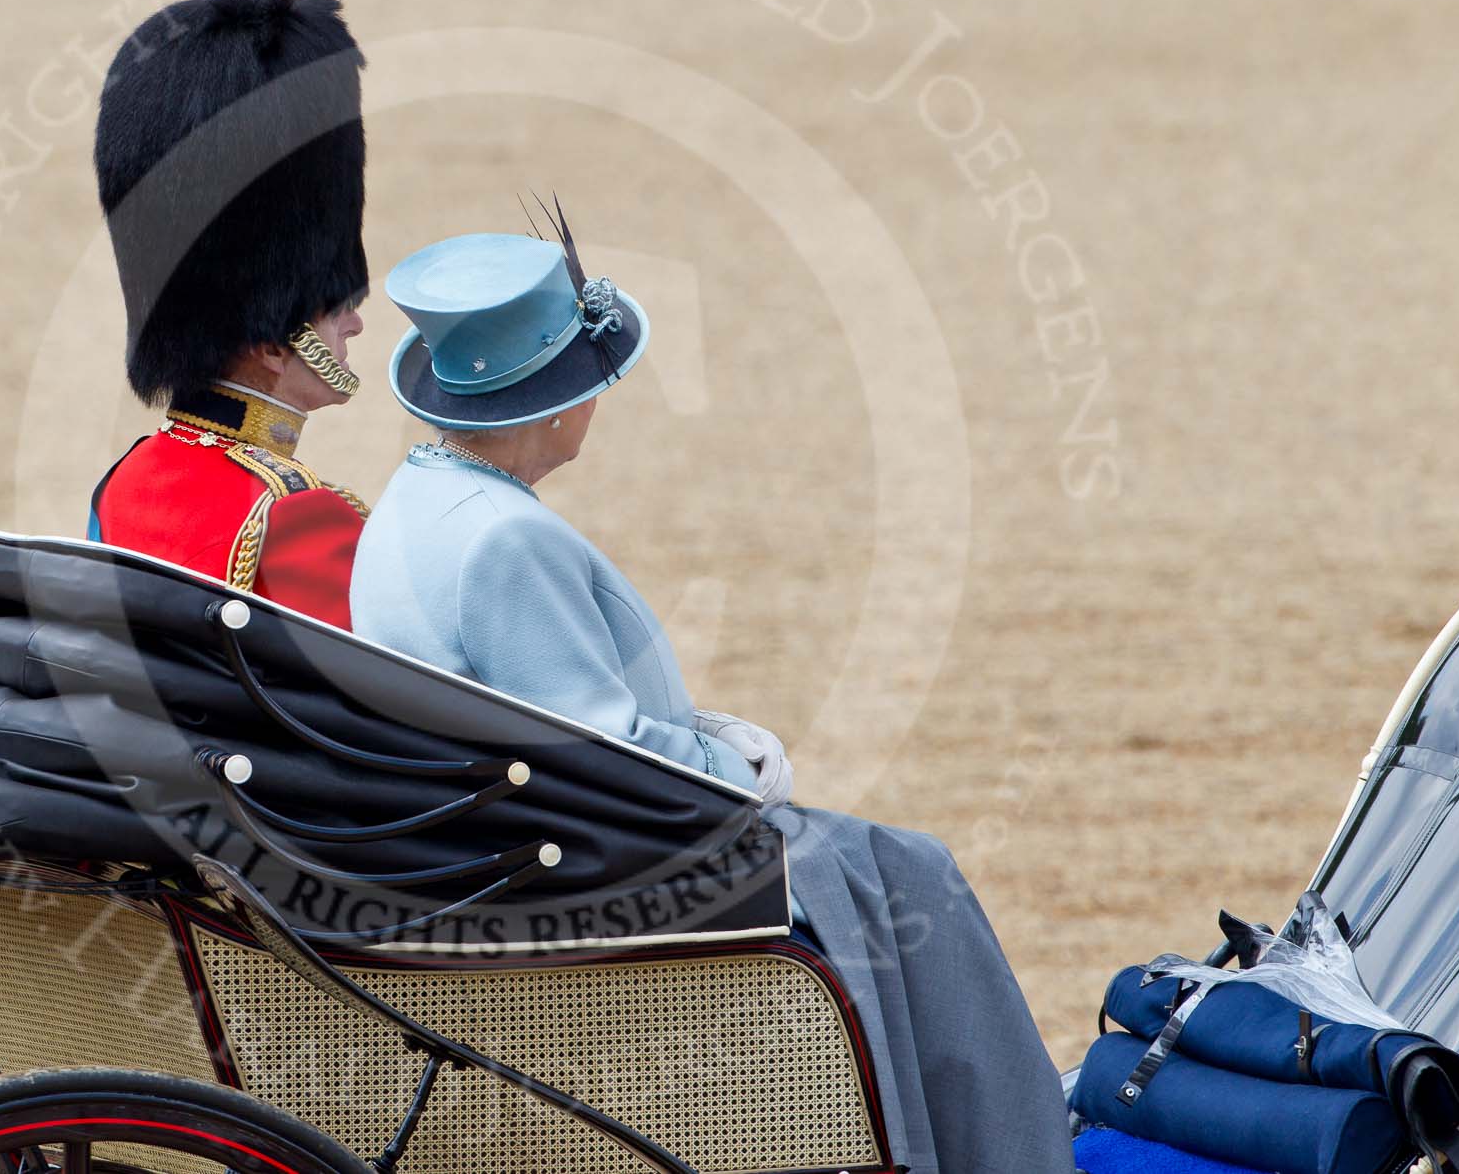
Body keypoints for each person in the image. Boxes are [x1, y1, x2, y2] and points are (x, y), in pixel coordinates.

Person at [348, 210, 1077, 1174]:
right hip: (590, 864)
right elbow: (611, 761)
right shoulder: (505, 539)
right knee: (916, 876)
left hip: (496, 842)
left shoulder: (413, 499)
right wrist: (739, 760)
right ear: (557, 405)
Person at [88, 0, 370, 628]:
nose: (354, 319)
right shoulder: (300, 515)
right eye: (335, 305)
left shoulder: (126, 481)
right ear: (274, 340)